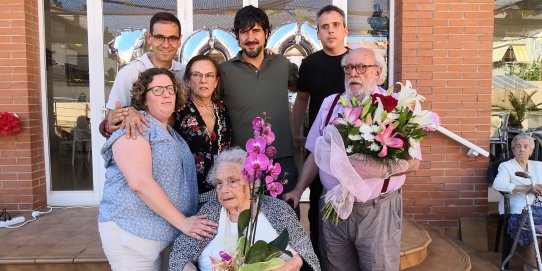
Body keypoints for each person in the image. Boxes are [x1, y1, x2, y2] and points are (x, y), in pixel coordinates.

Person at [283, 48, 421, 271]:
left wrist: (381, 169)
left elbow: (415, 162)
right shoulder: (330, 105)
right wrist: (299, 190)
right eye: (348, 68)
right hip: (333, 208)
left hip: (377, 211)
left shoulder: (396, 108)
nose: (353, 73)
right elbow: (315, 156)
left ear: (378, 72)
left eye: (361, 67)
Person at [98, 68, 217, 271]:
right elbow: (140, 183)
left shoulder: (170, 132)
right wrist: (183, 222)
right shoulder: (134, 127)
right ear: (143, 98)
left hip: (167, 234)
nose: (167, 94)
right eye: (158, 90)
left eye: (170, 89)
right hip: (134, 235)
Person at [168, 148, 320, 271]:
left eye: (232, 181)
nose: (224, 189)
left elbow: (305, 257)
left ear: (252, 182)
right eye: (219, 183)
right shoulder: (210, 212)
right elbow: (179, 257)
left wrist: (287, 267)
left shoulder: (277, 209)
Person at [218, 5, 299, 198]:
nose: (250, 38)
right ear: (237, 36)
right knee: (244, 223)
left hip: (281, 159)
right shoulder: (223, 71)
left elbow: (301, 89)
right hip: (241, 162)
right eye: (244, 32)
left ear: (267, 33)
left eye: (256, 31)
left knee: (284, 222)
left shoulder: (282, 64)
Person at [290, 5, 349, 258]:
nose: (331, 31)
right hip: (318, 147)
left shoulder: (356, 61)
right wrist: (296, 133)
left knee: (349, 205)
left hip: (353, 147)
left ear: (345, 29)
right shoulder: (309, 64)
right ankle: (317, 259)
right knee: (316, 205)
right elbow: (302, 99)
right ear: (318, 32)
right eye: (325, 27)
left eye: (335, 25)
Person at [100, 12, 185, 139]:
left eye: (172, 38)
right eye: (159, 37)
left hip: (182, 150)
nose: (166, 44)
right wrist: (113, 122)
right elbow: (107, 125)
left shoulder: (185, 73)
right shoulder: (130, 72)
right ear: (149, 38)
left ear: (179, 41)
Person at [173, 55, 233, 204]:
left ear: (216, 81)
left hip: (222, 193)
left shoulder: (221, 108)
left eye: (209, 75)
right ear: (188, 80)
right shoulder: (178, 110)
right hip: (189, 195)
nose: (203, 80)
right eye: (197, 75)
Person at [493, 134, 542, 271]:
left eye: (526, 147)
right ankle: (531, 265)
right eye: (518, 146)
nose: (522, 149)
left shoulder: (539, 166)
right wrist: (527, 188)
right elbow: (498, 184)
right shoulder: (506, 166)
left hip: (539, 207)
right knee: (533, 225)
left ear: (531, 151)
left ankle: (535, 262)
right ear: (513, 150)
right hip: (517, 209)